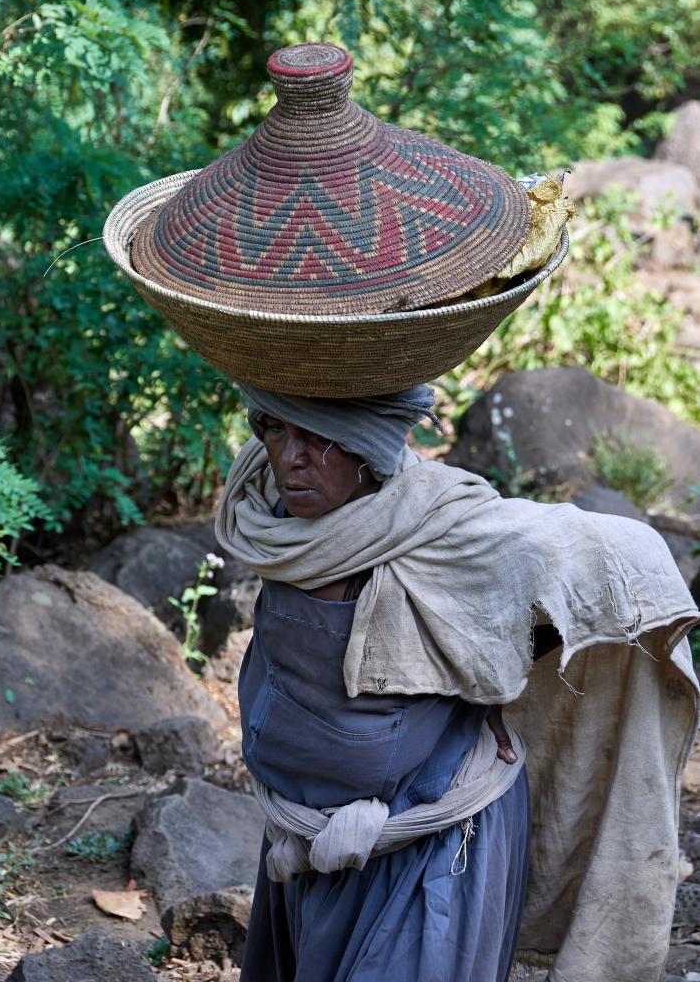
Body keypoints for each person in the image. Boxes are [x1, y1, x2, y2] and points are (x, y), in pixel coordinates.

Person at [215, 385, 698, 982]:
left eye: (319, 438)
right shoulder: (271, 518)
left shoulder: (443, 532)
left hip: (429, 854)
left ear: (371, 448)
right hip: (309, 845)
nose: (289, 457)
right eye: (275, 428)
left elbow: (625, 555)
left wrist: (501, 676)